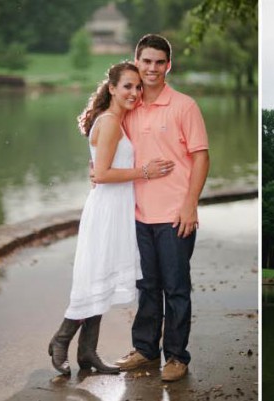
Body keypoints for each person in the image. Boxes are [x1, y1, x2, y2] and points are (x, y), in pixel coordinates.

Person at [48, 62, 174, 375]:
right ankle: (60, 340)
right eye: (127, 86)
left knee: (101, 280)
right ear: (112, 88)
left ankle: (88, 352)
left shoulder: (117, 120)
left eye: (137, 87)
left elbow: (100, 169)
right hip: (106, 212)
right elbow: (102, 174)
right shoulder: (109, 122)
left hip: (116, 210)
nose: (134, 92)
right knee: (93, 279)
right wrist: (145, 172)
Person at [114, 33, 210, 383]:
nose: (152, 68)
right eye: (146, 61)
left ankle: (176, 357)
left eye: (159, 62)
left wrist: (189, 205)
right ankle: (144, 349)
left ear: (168, 65)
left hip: (174, 217)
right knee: (147, 288)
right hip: (137, 215)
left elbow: (201, 158)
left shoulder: (184, 106)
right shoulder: (128, 105)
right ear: (136, 62)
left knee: (176, 289)